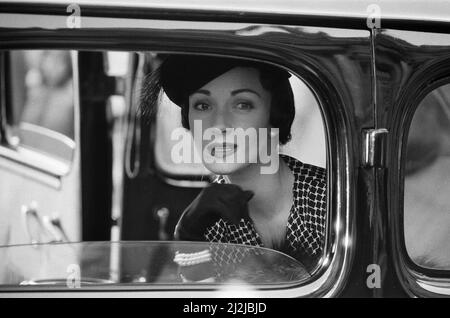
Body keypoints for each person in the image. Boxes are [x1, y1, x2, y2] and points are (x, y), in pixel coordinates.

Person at [142, 54, 327, 280]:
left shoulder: (330, 200)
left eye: (242, 104)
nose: (218, 124)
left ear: (276, 114)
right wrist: (188, 235)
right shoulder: (209, 224)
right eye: (202, 105)